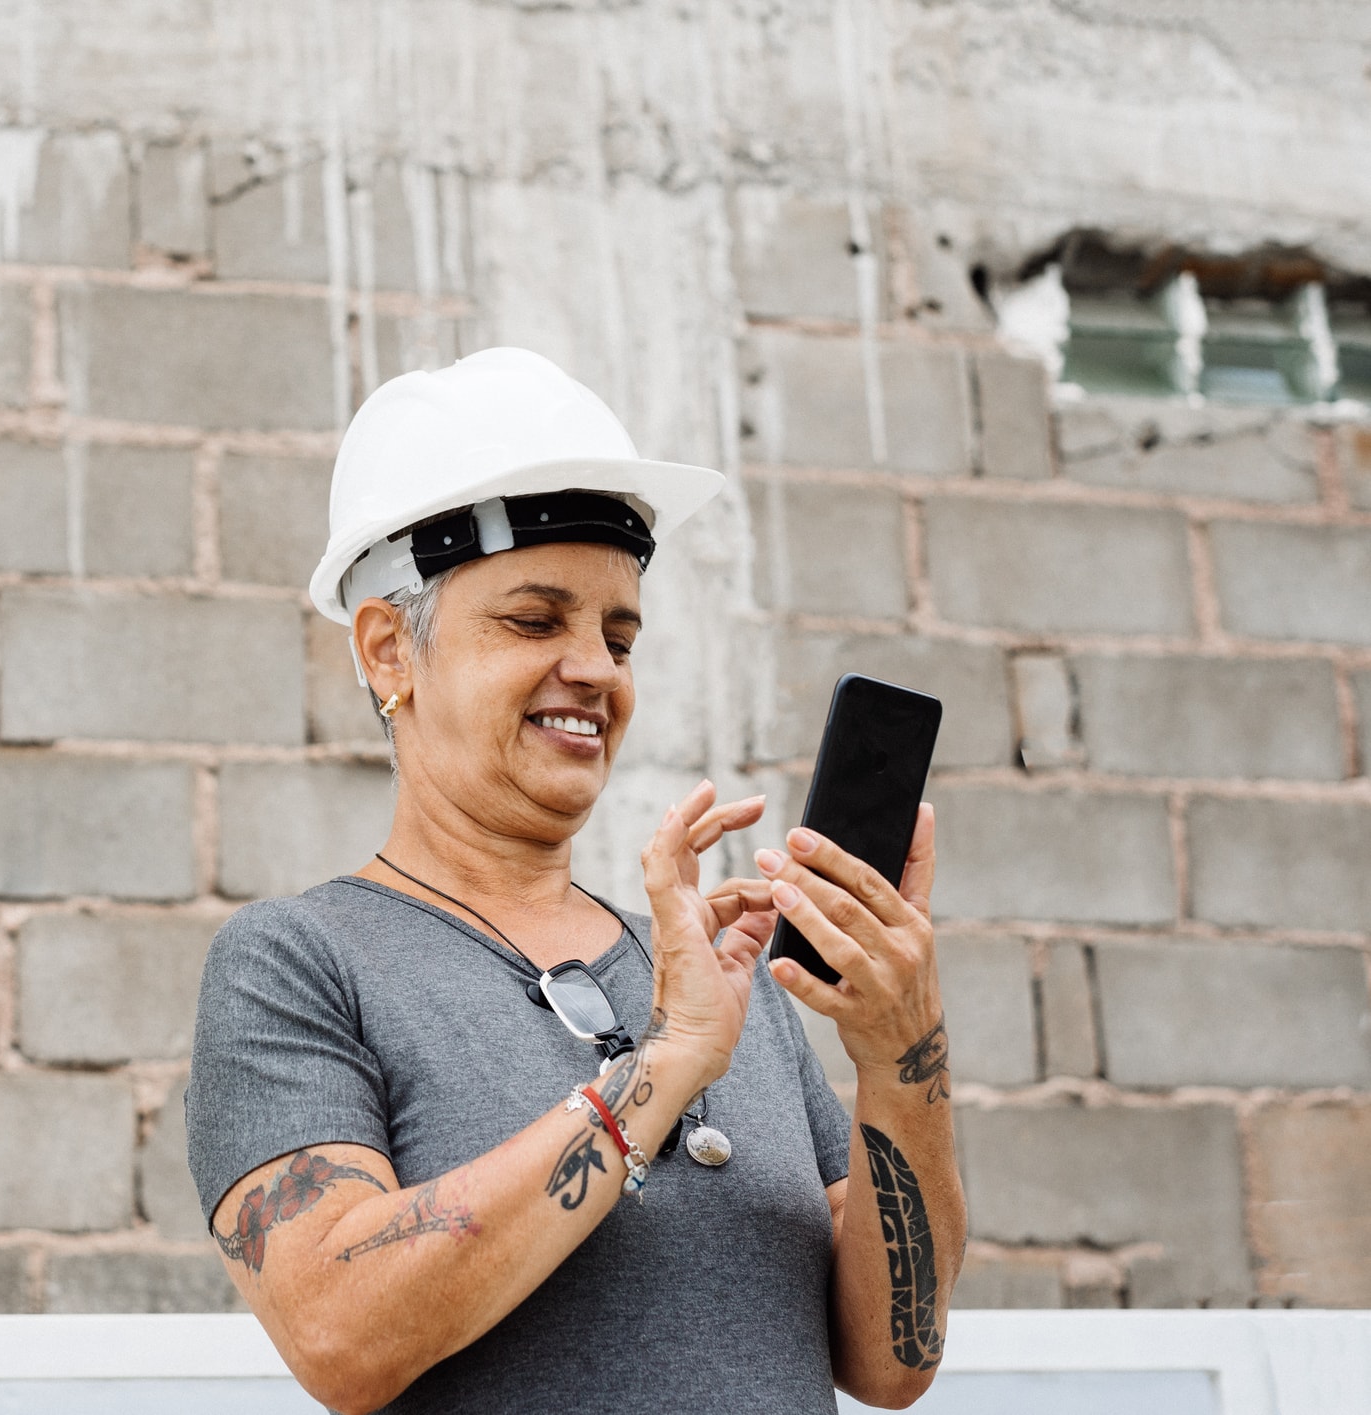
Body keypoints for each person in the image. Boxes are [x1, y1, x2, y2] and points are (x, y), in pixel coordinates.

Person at [183, 348, 963, 1415]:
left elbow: (892, 1361)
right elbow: (339, 1332)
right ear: (387, 652)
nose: (595, 667)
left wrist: (900, 1056)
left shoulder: (717, 978)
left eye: (619, 633)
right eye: (535, 619)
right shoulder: (298, 964)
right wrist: (667, 1062)